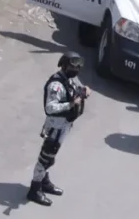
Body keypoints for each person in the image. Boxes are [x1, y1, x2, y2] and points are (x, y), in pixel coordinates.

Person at [28, 52, 90, 206]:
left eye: (78, 66)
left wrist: (83, 92)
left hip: (63, 126)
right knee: (45, 159)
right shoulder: (56, 85)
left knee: (51, 157)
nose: (76, 69)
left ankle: (44, 181)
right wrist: (70, 105)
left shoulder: (68, 80)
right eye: (73, 65)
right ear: (64, 65)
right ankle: (34, 189)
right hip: (55, 127)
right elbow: (50, 107)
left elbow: (73, 93)